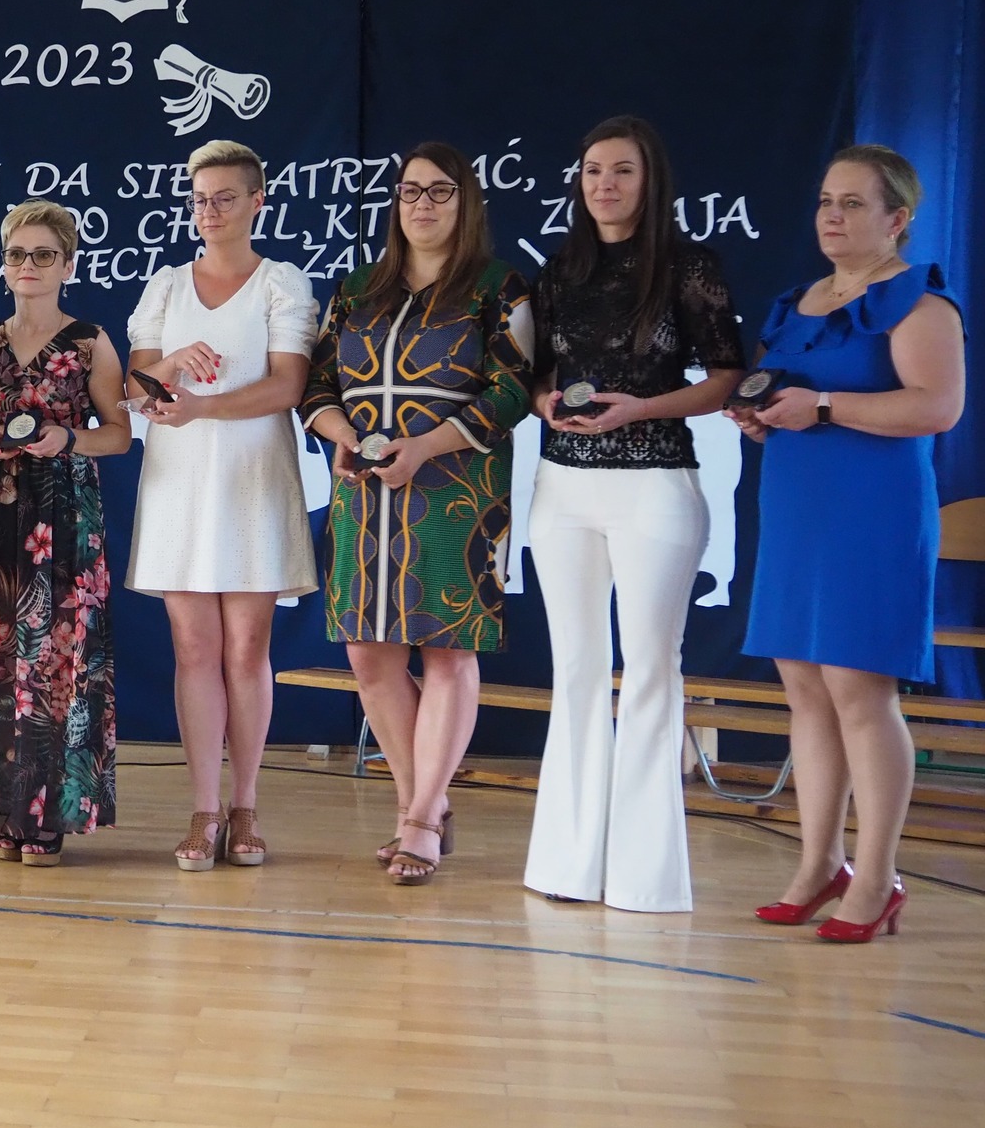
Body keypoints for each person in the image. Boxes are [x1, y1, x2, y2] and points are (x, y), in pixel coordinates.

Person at [734, 146, 964, 941]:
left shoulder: (920, 303)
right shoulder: (796, 302)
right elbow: (783, 398)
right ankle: (817, 865)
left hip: (875, 513)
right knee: (804, 687)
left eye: (853, 203)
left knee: (861, 692)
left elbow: (937, 408)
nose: (832, 216)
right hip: (797, 507)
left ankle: (875, 878)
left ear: (898, 219)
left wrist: (825, 405)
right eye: (827, 201)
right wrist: (763, 418)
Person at [521, 116, 744, 912]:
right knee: (577, 670)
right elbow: (534, 377)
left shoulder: (690, 265)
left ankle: (646, 879)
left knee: (652, 671)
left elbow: (726, 377)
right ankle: (567, 864)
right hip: (562, 489)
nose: (605, 185)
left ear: (650, 181)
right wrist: (546, 403)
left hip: (655, 485)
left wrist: (641, 408)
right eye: (592, 171)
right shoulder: (558, 271)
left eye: (621, 171)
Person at [303, 144, 533, 885]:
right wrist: (341, 435)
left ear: (466, 203)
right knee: (368, 653)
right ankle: (419, 803)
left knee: (447, 649)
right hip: (362, 489)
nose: (422, 204)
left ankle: (423, 818)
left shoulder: (497, 287)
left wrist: (426, 447)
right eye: (409, 191)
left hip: (457, 486)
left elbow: (513, 389)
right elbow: (317, 383)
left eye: (439, 191)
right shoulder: (356, 288)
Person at [125, 140, 317, 870]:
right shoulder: (166, 286)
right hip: (179, 484)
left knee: (246, 650)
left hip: (253, 481)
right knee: (194, 650)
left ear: (257, 202)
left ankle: (246, 807)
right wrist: (170, 369)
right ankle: (204, 810)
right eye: (199, 199)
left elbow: (287, 386)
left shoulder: (280, 283)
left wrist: (203, 407)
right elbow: (136, 388)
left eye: (224, 198)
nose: (208, 211)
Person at [0, 200, 131, 867]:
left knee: (59, 660)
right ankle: (3, 807)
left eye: (44, 255)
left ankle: (47, 815)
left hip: (65, 517)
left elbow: (120, 434)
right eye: (17, 254)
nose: (29, 265)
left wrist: (67, 438)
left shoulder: (89, 341)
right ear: (3, 264)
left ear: (68, 265)